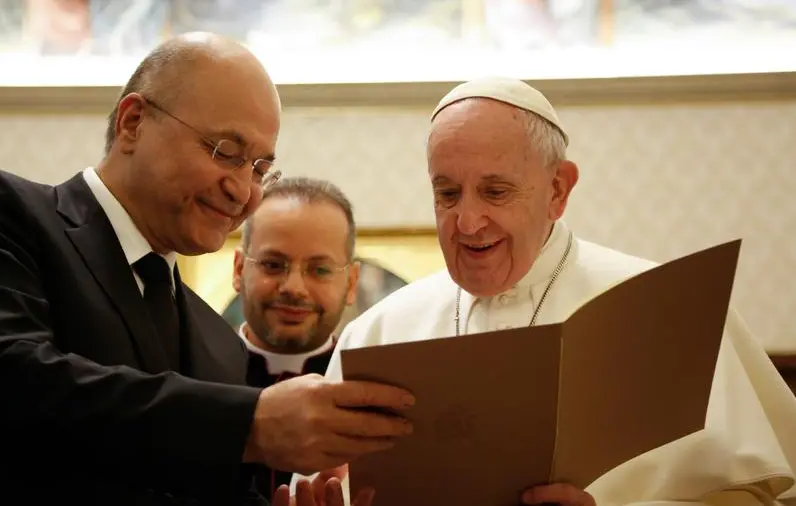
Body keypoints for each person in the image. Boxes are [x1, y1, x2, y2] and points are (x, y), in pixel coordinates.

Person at [0, 33, 414, 506]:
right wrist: (249, 423)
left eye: (259, 168)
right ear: (133, 122)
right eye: (226, 151)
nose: (243, 189)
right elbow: (7, 385)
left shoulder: (218, 342)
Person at [292, 77, 796, 506]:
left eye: (495, 191)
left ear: (558, 190)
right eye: (447, 193)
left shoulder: (670, 311)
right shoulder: (379, 332)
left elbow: (754, 498)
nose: (467, 221)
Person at [232, 176, 361, 501]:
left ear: (351, 283)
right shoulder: (189, 370)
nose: (293, 288)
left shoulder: (371, 390)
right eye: (273, 265)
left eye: (320, 270)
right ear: (238, 270)